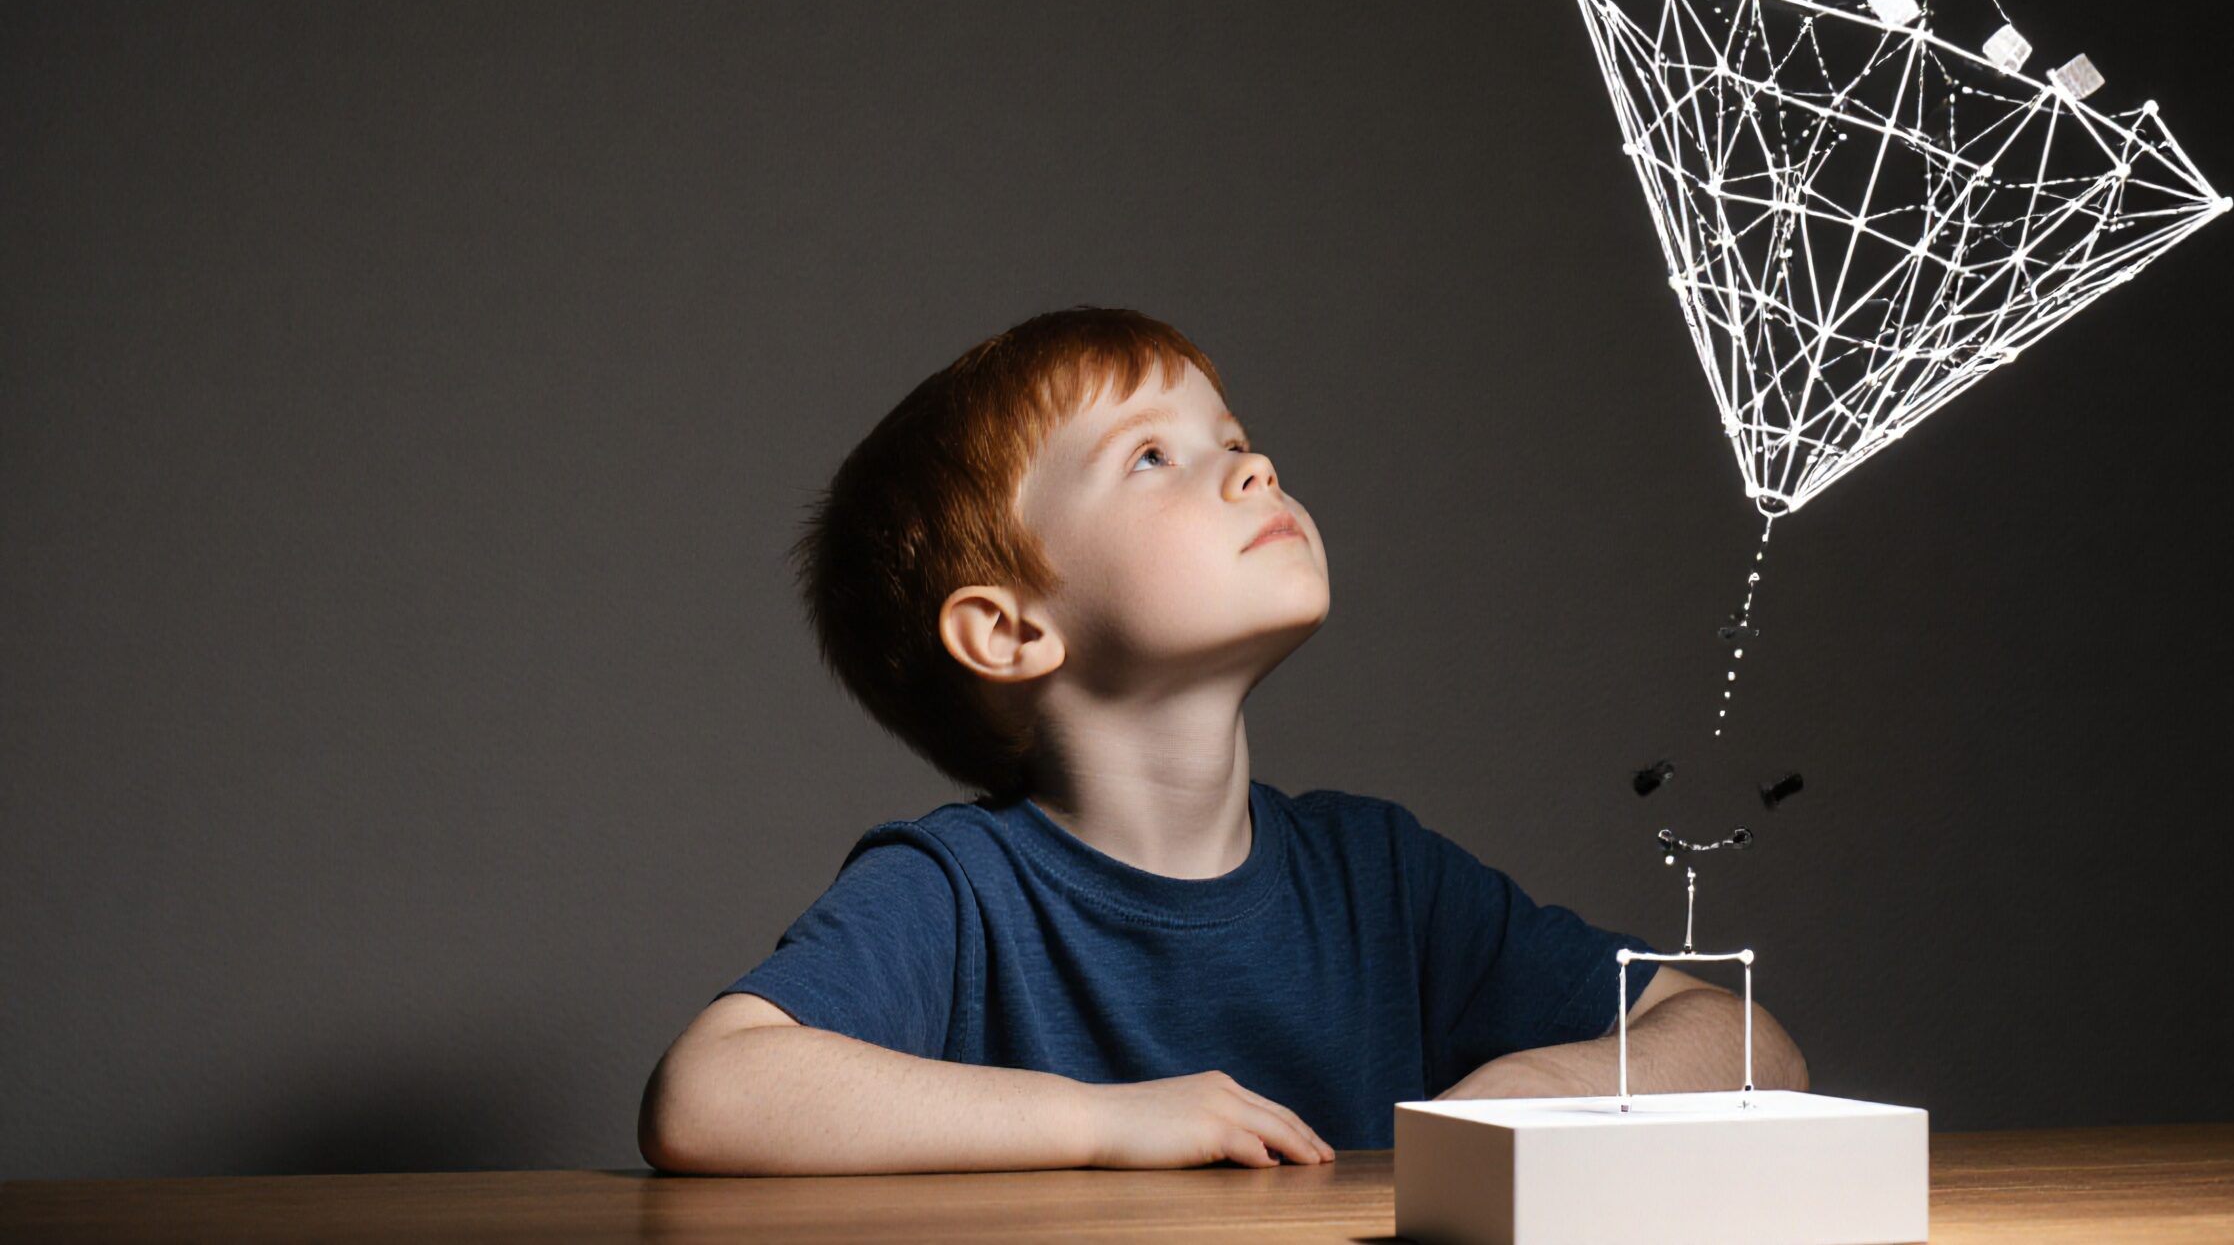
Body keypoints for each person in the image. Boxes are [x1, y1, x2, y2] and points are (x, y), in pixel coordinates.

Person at [636, 306, 1807, 1175]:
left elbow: (1743, 1042)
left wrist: (1544, 1081)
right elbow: (709, 1090)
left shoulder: (1382, 878)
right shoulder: (956, 890)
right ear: (1008, 628)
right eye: (1152, 454)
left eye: (1235, 435)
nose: (1254, 464)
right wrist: (1105, 1121)